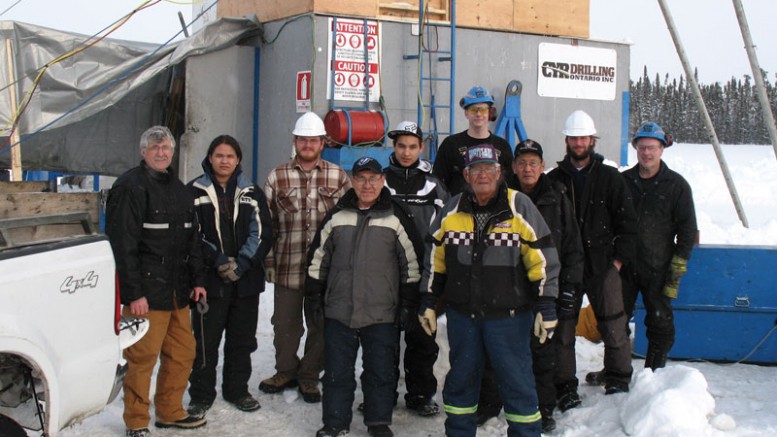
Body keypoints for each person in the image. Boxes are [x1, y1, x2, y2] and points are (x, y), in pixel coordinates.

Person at [419, 143, 561, 437]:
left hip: (509, 318)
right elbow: (435, 259)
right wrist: (430, 300)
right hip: (463, 316)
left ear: (499, 173)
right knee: (461, 381)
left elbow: (543, 259)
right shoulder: (452, 209)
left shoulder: (519, 206)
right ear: (466, 175)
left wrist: (546, 305)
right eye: (476, 170)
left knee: (517, 383)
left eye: (488, 169)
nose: (482, 175)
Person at [306, 157, 423, 437]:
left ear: (382, 181)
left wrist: (408, 303)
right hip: (339, 310)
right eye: (361, 178)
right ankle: (335, 422)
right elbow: (317, 260)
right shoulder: (337, 216)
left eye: (373, 178)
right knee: (337, 372)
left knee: (380, 371)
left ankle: (378, 421)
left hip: (382, 312)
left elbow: (412, 265)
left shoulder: (396, 217)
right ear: (352, 181)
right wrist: (313, 296)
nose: (367, 184)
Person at [106, 126, 208, 437]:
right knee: (142, 359)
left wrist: (197, 280)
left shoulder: (180, 190)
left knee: (182, 353)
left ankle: (170, 411)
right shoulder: (130, 188)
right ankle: (136, 420)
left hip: (178, 292)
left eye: (165, 148)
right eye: (154, 148)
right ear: (143, 152)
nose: (161, 152)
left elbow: (193, 241)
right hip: (146, 294)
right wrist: (133, 293)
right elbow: (123, 245)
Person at [477, 140, 585, 432]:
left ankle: (542, 408)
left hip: (542, 289)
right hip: (504, 288)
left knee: (541, 352)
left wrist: (568, 287)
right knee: (495, 350)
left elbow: (572, 246)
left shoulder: (556, 197)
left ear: (542, 166)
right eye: (522, 163)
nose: (527, 168)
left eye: (533, 163)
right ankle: (489, 402)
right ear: (512, 167)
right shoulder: (499, 197)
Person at [547, 110, 638, 404]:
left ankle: (618, 380)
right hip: (566, 267)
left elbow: (628, 224)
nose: (578, 143)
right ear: (567, 140)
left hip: (603, 264)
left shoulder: (610, 178)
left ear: (592, 139)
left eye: (583, 137)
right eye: (573, 138)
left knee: (613, 324)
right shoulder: (555, 179)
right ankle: (564, 387)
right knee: (563, 330)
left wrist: (617, 262)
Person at [261, 112, 351, 403]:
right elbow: (267, 225)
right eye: (303, 139)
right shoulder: (277, 176)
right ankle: (285, 371)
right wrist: (270, 262)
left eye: (313, 140)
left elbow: (348, 223)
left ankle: (310, 376)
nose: (308, 144)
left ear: (323, 142)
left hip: (325, 272)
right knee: (285, 325)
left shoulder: (338, 176)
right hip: (288, 265)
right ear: (295, 141)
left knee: (321, 325)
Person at [186, 135, 273, 418]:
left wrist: (243, 263)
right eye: (219, 155)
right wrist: (219, 261)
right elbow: (192, 234)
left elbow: (261, 232)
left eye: (230, 156)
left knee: (241, 341)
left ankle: (237, 390)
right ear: (210, 158)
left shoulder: (251, 191)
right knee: (204, 343)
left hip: (245, 282)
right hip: (209, 282)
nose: (225, 161)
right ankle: (201, 395)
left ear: (238, 160)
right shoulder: (194, 191)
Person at [383, 121, 449, 417]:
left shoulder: (434, 186)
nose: (406, 152)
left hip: (423, 274)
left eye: (412, 146)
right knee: (381, 338)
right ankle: (380, 393)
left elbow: (446, 230)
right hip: (384, 274)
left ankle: (420, 394)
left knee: (422, 337)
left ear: (421, 148)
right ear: (393, 148)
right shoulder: (379, 181)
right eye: (400, 146)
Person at [621, 122, 697, 370]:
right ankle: (616, 371)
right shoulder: (623, 182)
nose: (647, 153)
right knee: (615, 321)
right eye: (642, 148)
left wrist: (678, 263)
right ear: (636, 149)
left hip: (659, 267)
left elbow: (687, 230)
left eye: (652, 148)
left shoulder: (676, 186)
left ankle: (653, 374)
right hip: (624, 265)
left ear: (662, 149)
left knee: (660, 322)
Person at [432, 86, 513, 196]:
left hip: (495, 211)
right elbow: (438, 183)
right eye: (474, 109)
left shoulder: (503, 147)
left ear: (490, 112)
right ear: (466, 113)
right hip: (458, 210)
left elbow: (510, 184)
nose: (478, 114)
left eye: (483, 109)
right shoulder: (451, 144)